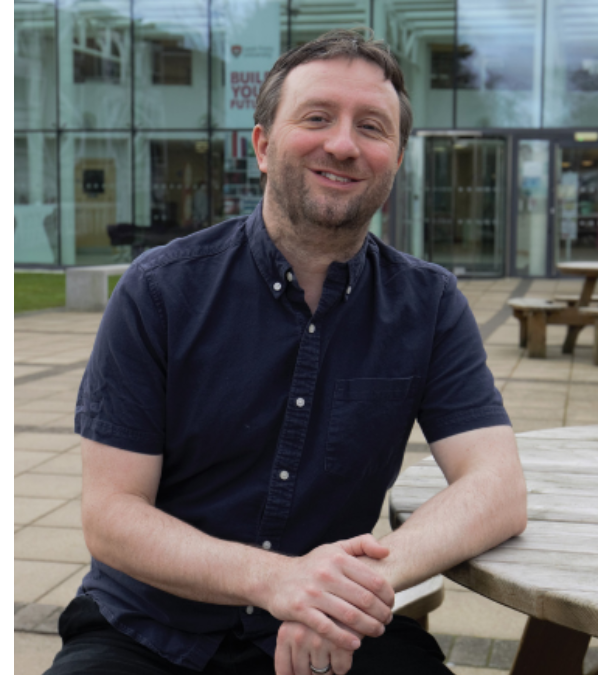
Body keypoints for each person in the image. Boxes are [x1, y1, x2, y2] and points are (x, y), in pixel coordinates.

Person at [47, 29, 527, 675]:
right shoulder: (160, 290)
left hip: (333, 632)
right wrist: (275, 580)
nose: (343, 143)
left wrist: (345, 590)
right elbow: (111, 516)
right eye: (317, 117)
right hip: (149, 628)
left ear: (396, 159)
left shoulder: (430, 303)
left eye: (373, 126)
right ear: (263, 145)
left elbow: (497, 488)